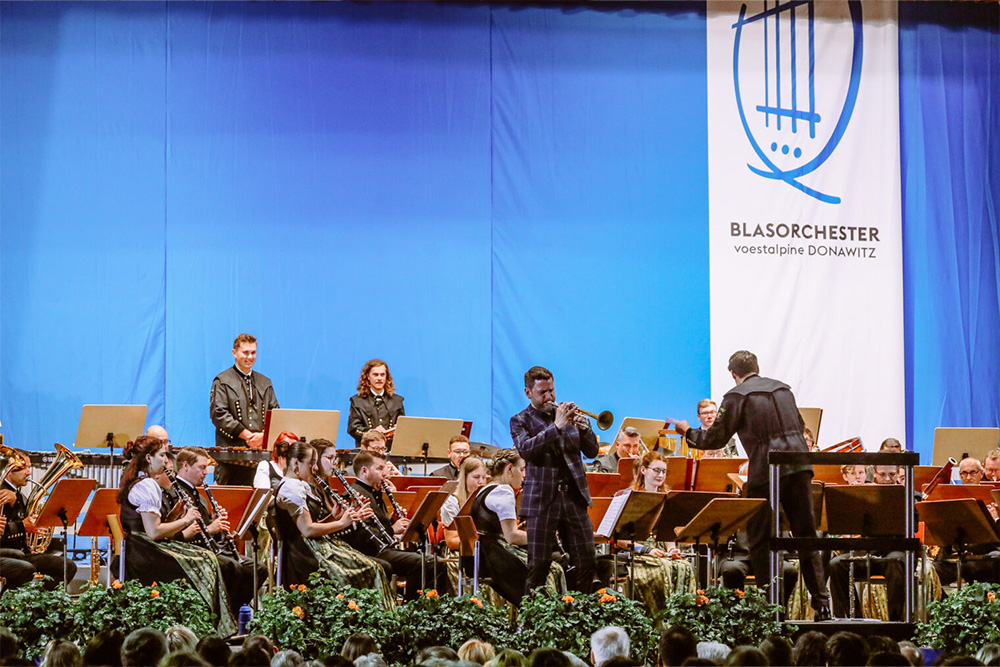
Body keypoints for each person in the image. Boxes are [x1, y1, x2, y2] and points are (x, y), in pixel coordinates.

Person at [673, 350, 832, 620]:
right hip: (800, 465)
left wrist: (687, 432)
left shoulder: (737, 395)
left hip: (767, 470)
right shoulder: (784, 391)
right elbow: (801, 427)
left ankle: (770, 607)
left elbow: (716, 439)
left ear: (734, 374)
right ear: (757, 367)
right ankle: (822, 602)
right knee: (807, 536)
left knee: (760, 539)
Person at [117, 436, 237, 635]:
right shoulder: (147, 485)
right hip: (144, 552)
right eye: (162, 455)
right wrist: (186, 519)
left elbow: (154, 524)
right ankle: (204, 628)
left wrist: (173, 514)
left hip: (142, 547)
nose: (166, 461)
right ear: (148, 458)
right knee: (206, 560)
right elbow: (154, 532)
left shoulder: (141, 481)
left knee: (208, 558)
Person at [511, 365, 599, 594]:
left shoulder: (569, 417)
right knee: (538, 565)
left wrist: (585, 428)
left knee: (587, 559)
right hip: (541, 500)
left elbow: (592, 452)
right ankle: (533, 622)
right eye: (543, 392)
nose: (549, 397)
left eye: (551, 390)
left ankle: (580, 615)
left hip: (573, 497)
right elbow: (526, 450)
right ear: (528, 392)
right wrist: (556, 426)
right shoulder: (520, 420)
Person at [272, 442, 393, 604]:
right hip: (304, 555)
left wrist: (335, 516)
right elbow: (307, 529)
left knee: (378, 566)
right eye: (311, 463)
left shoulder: (299, 486)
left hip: (314, 548)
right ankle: (360, 618)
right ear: (295, 463)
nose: (315, 468)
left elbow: (312, 524)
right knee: (374, 568)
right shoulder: (290, 488)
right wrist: (342, 523)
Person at [341, 450, 454, 600]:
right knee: (427, 563)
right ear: (364, 471)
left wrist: (392, 520)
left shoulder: (373, 491)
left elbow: (377, 524)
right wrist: (392, 529)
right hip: (370, 552)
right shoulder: (355, 494)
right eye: (380, 468)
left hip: (382, 549)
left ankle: (432, 607)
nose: (385, 474)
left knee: (430, 561)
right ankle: (413, 608)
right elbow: (362, 535)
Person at [172, 447, 265, 616]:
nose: (205, 473)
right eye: (201, 467)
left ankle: (232, 610)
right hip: (193, 550)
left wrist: (217, 523)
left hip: (212, 547)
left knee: (258, 569)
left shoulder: (197, 495)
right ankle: (224, 614)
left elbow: (204, 524)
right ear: (185, 466)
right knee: (233, 568)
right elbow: (182, 531)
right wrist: (211, 528)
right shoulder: (176, 492)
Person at [469, 449, 565, 604]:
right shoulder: (504, 491)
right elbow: (511, 536)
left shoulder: (486, 488)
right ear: (509, 469)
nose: (524, 475)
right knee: (552, 568)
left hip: (486, 554)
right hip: (499, 558)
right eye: (522, 469)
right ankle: (549, 617)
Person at [610, 451, 696, 614]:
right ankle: (656, 620)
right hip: (635, 551)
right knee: (661, 569)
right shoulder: (628, 497)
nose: (661, 475)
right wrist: (646, 550)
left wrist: (671, 550)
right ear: (643, 470)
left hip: (659, 551)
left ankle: (681, 619)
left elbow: (668, 533)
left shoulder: (667, 497)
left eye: (664, 471)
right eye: (656, 470)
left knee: (685, 567)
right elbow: (619, 539)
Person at [828, 464, 908, 620]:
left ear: (898, 475)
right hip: (868, 551)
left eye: (891, 475)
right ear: (875, 474)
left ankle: (896, 622)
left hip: (895, 550)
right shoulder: (865, 494)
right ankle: (852, 619)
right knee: (837, 565)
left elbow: (912, 525)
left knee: (894, 562)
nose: (887, 479)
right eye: (883, 474)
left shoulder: (905, 494)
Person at [0, 448, 77, 589]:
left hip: (22, 552)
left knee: (68, 566)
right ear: (9, 470)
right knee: (25, 567)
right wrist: (23, 526)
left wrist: (39, 526)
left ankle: (39, 601)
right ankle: (8, 605)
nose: (29, 472)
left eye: (29, 467)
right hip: (8, 552)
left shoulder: (19, 495)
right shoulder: (3, 492)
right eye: (24, 468)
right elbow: (4, 531)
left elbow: (27, 523)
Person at [210, 333, 280, 485]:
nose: (250, 357)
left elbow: (275, 415)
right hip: (230, 458)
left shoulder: (265, 382)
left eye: (253, 352)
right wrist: (247, 436)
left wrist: (263, 436)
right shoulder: (222, 381)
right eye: (245, 352)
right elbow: (219, 414)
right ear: (234, 353)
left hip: (260, 457)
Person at [348, 359, 404, 446]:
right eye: (375, 375)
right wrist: (372, 432)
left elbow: (403, 428)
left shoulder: (397, 401)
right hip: (367, 452)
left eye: (382, 375)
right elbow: (353, 429)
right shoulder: (357, 401)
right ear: (368, 376)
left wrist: (397, 430)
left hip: (391, 451)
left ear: (386, 377)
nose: (379, 378)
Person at [440, 456, 488, 549]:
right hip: (460, 554)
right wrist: (481, 541)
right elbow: (451, 541)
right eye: (476, 477)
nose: (481, 482)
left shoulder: (487, 500)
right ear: (464, 477)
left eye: (484, 477)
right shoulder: (451, 502)